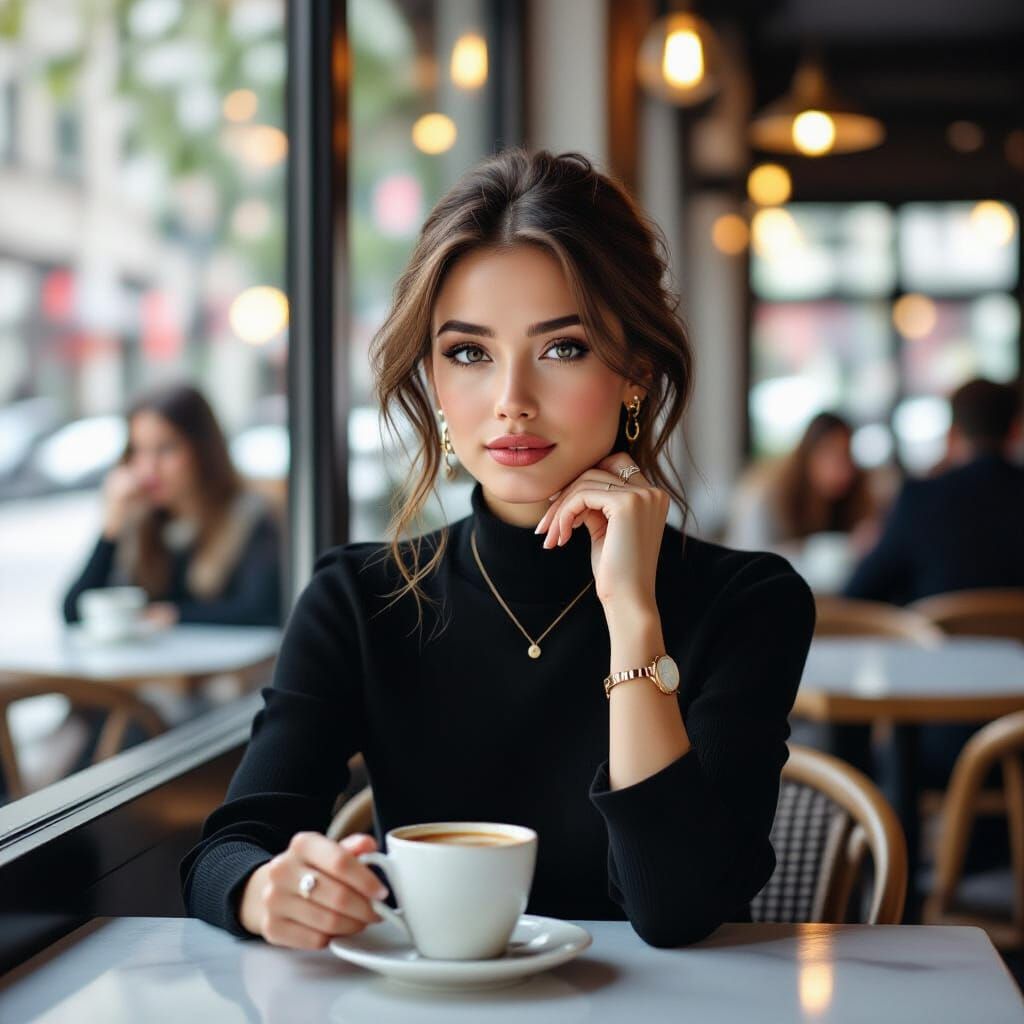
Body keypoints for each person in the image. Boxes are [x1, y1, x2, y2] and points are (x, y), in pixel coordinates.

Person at [179, 148, 815, 951]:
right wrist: (268, 890)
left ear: (637, 375)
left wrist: (631, 613)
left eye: (563, 348)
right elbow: (225, 852)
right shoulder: (360, 598)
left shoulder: (748, 603)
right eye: (469, 353)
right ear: (436, 385)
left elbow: (676, 907)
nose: (511, 402)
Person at [837, 377, 1024, 866]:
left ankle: (873, 873)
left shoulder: (922, 500)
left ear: (952, 435)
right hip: (1018, 735)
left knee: (857, 744)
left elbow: (859, 596)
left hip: (937, 739)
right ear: (1016, 429)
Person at [62, 382, 283, 629]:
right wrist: (110, 530)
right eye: (138, 451)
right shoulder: (142, 519)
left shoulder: (247, 515)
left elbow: (262, 612)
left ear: (202, 450)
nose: (148, 469)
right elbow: (74, 613)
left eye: (165, 449)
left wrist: (176, 616)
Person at [726, 411, 881, 566]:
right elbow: (749, 559)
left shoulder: (855, 498)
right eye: (831, 453)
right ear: (807, 455)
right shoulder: (766, 498)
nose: (843, 467)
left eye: (847, 456)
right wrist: (831, 549)